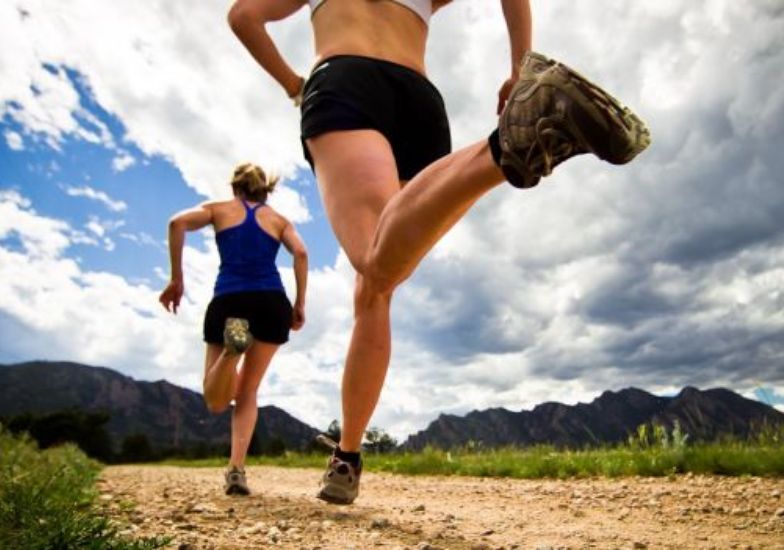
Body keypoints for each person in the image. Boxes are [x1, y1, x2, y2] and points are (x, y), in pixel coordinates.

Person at [227, 0, 650, 504]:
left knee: (372, 257)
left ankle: (501, 151)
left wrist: (295, 85)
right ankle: (348, 457)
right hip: (419, 101)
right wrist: (519, 66)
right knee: (375, 289)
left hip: (344, 79)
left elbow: (244, 16)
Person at [159, 162, 308, 495]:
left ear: (235, 187)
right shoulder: (279, 220)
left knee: (216, 401)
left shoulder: (217, 209)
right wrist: (299, 304)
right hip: (271, 302)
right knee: (248, 392)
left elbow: (177, 222)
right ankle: (237, 470)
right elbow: (300, 252)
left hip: (230, 301)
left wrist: (176, 279)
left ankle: (230, 353)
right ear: (265, 189)